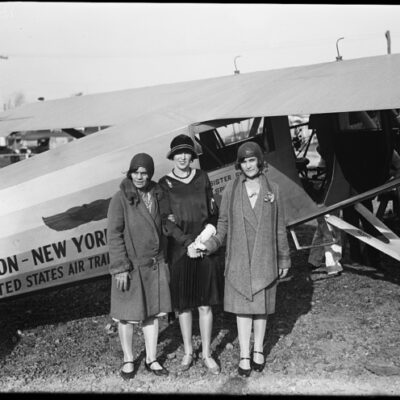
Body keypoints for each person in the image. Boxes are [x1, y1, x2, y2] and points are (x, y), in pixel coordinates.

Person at [200, 142, 291, 378]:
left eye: (252, 160)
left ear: (259, 161)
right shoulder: (231, 188)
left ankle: (258, 349)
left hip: (265, 257)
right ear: (238, 165)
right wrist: (211, 244)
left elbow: (280, 227)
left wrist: (283, 258)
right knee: (243, 309)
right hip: (239, 258)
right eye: (244, 161)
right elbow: (223, 224)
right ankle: (244, 354)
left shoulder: (274, 189)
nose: (249, 165)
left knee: (260, 307)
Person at [158, 134, 222, 375]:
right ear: (172, 156)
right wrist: (187, 244)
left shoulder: (202, 177)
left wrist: (205, 237)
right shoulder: (164, 184)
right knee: (184, 305)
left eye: (187, 153)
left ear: (192, 156)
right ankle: (187, 351)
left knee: (205, 304)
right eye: (178, 153)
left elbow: (213, 213)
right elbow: (165, 221)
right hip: (180, 249)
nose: (183, 157)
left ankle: (206, 353)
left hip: (203, 246)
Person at [107, 153, 172, 380]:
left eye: (144, 172)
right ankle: (128, 359)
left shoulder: (158, 194)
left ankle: (151, 358)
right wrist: (120, 268)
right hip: (131, 268)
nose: (140, 177)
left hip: (154, 265)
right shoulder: (120, 198)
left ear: (150, 174)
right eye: (136, 172)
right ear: (130, 173)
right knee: (126, 316)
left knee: (152, 314)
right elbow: (114, 234)